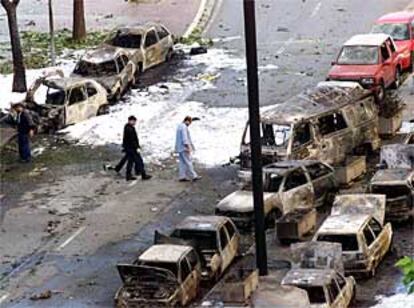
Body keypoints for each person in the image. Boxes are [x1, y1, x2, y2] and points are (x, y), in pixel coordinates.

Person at [122, 116, 151, 181]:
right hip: (132, 148)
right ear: (130, 121)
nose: (135, 123)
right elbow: (132, 140)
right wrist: (137, 147)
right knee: (139, 161)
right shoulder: (130, 129)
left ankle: (128, 175)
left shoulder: (127, 127)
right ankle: (143, 174)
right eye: (134, 121)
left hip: (129, 148)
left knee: (130, 162)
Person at [175, 116, 201, 182]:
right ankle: (194, 176)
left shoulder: (179, 126)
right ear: (187, 121)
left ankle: (182, 176)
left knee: (182, 163)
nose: (189, 124)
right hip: (184, 148)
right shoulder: (184, 127)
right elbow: (185, 138)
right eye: (190, 122)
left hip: (180, 147)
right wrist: (188, 147)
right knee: (188, 162)